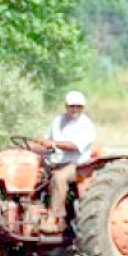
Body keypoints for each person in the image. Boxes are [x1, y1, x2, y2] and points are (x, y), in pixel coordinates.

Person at [32, 90, 96, 233]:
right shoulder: (58, 121)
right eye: (72, 106)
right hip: (55, 162)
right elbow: (45, 140)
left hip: (78, 165)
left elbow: (74, 146)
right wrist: (33, 146)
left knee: (59, 177)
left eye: (78, 106)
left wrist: (53, 144)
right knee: (36, 175)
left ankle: (55, 218)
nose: (75, 109)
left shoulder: (86, 126)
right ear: (66, 106)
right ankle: (32, 212)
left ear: (83, 108)